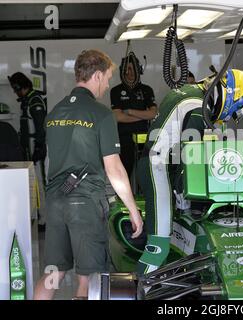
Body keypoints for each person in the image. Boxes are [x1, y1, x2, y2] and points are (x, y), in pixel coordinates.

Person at [34, 49, 143, 300]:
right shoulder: (101, 114)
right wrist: (133, 210)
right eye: (107, 77)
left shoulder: (54, 114)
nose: (107, 84)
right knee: (89, 279)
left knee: (53, 273)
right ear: (96, 75)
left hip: (55, 202)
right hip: (84, 206)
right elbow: (113, 169)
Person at [135, 69, 243, 274]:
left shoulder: (190, 92)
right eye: (233, 112)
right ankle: (140, 289)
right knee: (158, 247)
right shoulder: (198, 107)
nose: (227, 118)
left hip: (157, 163)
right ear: (231, 98)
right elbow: (190, 159)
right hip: (158, 168)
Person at [8, 72, 47, 225]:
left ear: (20, 86)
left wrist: (39, 147)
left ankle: (45, 218)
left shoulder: (35, 100)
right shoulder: (26, 101)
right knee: (31, 183)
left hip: (35, 150)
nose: (14, 91)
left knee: (40, 183)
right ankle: (34, 216)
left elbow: (40, 127)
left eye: (15, 88)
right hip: (27, 150)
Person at [110, 57, 157, 181]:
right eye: (126, 69)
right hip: (123, 138)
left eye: (132, 69)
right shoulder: (116, 91)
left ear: (139, 70)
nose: (129, 73)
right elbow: (117, 117)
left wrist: (130, 111)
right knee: (124, 172)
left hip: (144, 139)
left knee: (145, 173)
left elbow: (153, 114)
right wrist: (142, 115)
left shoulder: (147, 90)